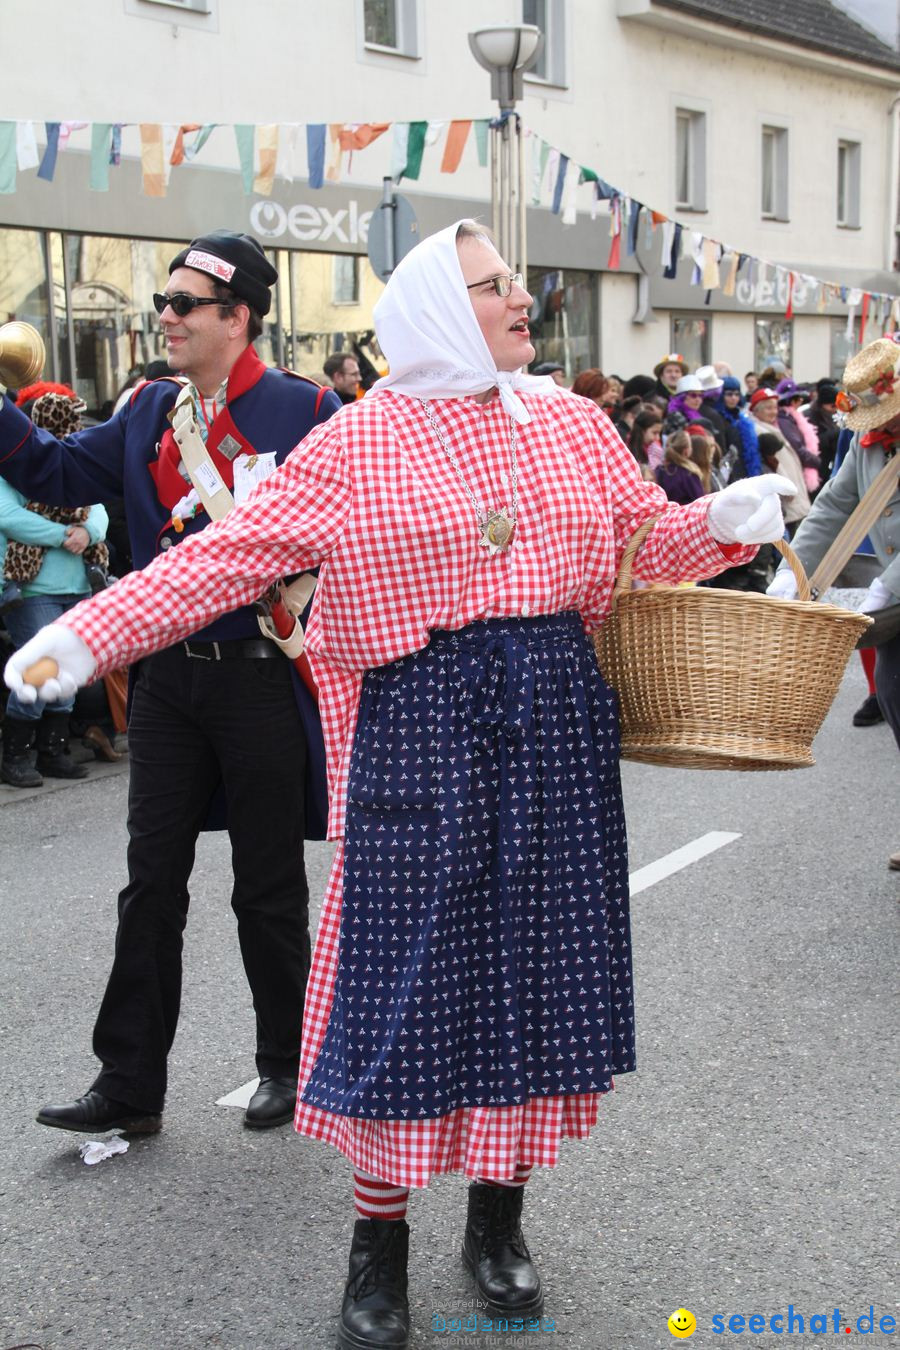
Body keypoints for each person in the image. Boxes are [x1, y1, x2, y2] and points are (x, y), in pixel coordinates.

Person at [5, 220, 794, 1350]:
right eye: (492, 286)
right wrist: (86, 635)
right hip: (421, 726)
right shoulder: (357, 442)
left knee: (533, 971)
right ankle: (377, 1247)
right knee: (405, 984)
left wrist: (715, 525)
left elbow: (641, 546)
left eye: (517, 282)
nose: (523, 299)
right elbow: (223, 560)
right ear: (434, 309)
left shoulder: (572, 425)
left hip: (558, 729)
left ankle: (498, 1220)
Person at [0, 229, 342, 1133]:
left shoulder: (306, 409)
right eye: (164, 300)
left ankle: (287, 1062)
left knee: (267, 887)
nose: (165, 316)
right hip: (166, 685)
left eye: (184, 303)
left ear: (240, 317)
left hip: (260, 676)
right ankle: (129, 1084)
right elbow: (55, 470)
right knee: (150, 882)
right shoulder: (152, 407)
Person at [768, 338, 899, 868]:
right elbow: (831, 509)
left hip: (896, 584)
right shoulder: (872, 441)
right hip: (896, 599)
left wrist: (889, 582)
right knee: (894, 697)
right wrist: (787, 573)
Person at [0, 389, 108, 787]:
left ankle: (52, 751)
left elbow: (99, 510)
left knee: (68, 672)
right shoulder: (12, 466)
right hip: (33, 590)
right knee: (38, 671)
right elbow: (8, 516)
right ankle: (15, 756)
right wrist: (66, 533)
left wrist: (87, 531)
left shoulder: (70, 461)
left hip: (77, 583)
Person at [748, 387, 811, 535]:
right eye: (768, 408)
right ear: (756, 411)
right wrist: (788, 491)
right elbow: (775, 464)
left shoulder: (771, 427)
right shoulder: (760, 431)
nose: (773, 412)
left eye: (775, 407)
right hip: (788, 499)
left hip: (793, 496)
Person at [655, 428, 706, 503]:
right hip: (686, 513)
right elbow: (700, 502)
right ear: (686, 450)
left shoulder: (659, 470)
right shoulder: (689, 474)